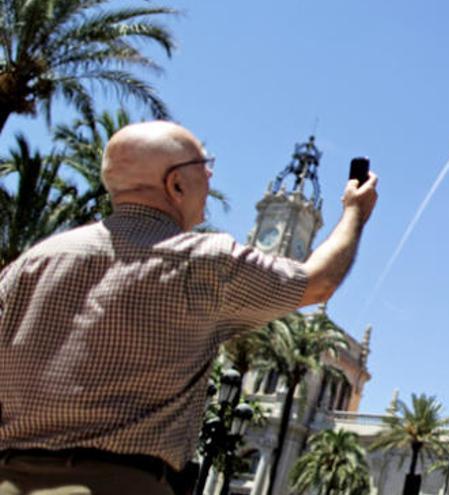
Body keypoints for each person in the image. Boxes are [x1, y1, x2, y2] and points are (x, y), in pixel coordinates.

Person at [0, 121, 378, 495]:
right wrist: (354, 213)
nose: (211, 173)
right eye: (203, 164)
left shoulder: (30, 264)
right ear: (175, 184)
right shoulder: (205, 263)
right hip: (119, 483)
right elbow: (317, 281)